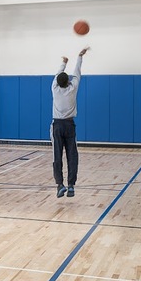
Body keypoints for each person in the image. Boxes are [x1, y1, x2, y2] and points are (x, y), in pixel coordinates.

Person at [51, 46, 90, 198]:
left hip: (57, 125)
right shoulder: (72, 88)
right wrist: (80, 56)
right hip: (69, 125)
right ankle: (71, 185)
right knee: (72, 155)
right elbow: (77, 73)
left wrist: (63, 63)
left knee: (57, 156)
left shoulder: (54, 88)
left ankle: (60, 185)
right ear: (68, 81)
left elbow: (57, 76)